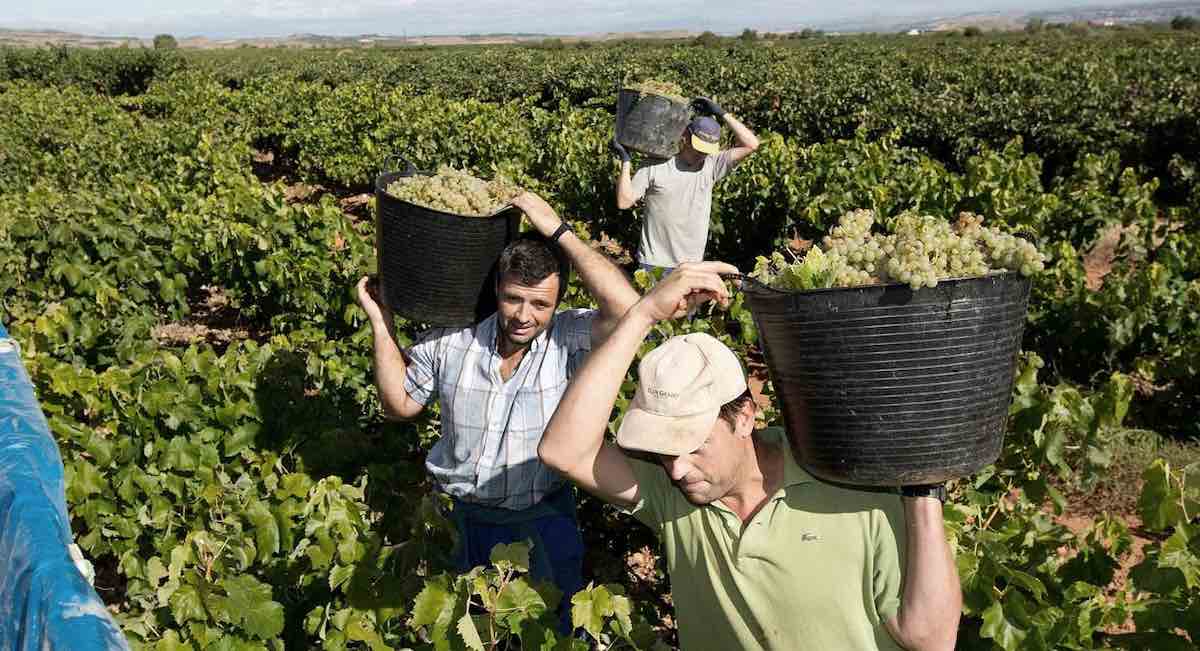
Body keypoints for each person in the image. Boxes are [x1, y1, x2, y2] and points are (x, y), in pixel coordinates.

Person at [537, 262, 963, 651]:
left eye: (692, 446)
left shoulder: (852, 487)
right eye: (664, 452)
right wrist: (642, 314)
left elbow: (931, 638)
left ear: (744, 416)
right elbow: (563, 450)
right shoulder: (673, 496)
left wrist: (923, 488)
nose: (677, 468)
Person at [355, 192, 639, 632]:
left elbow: (629, 311)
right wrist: (381, 323)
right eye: (513, 299)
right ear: (496, 290)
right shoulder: (452, 340)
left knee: (542, 633)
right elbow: (399, 405)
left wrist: (558, 229)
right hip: (458, 521)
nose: (524, 316)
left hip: (539, 524)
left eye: (540, 304)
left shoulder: (568, 341)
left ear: (559, 300)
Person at [612, 97, 760, 277]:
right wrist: (626, 161)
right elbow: (624, 201)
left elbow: (752, 144)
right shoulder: (654, 165)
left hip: (692, 266)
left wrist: (722, 113)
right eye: (698, 147)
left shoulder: (712, 165)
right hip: (654, 263)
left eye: (706, 150)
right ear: (685, 136)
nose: (701, 154)